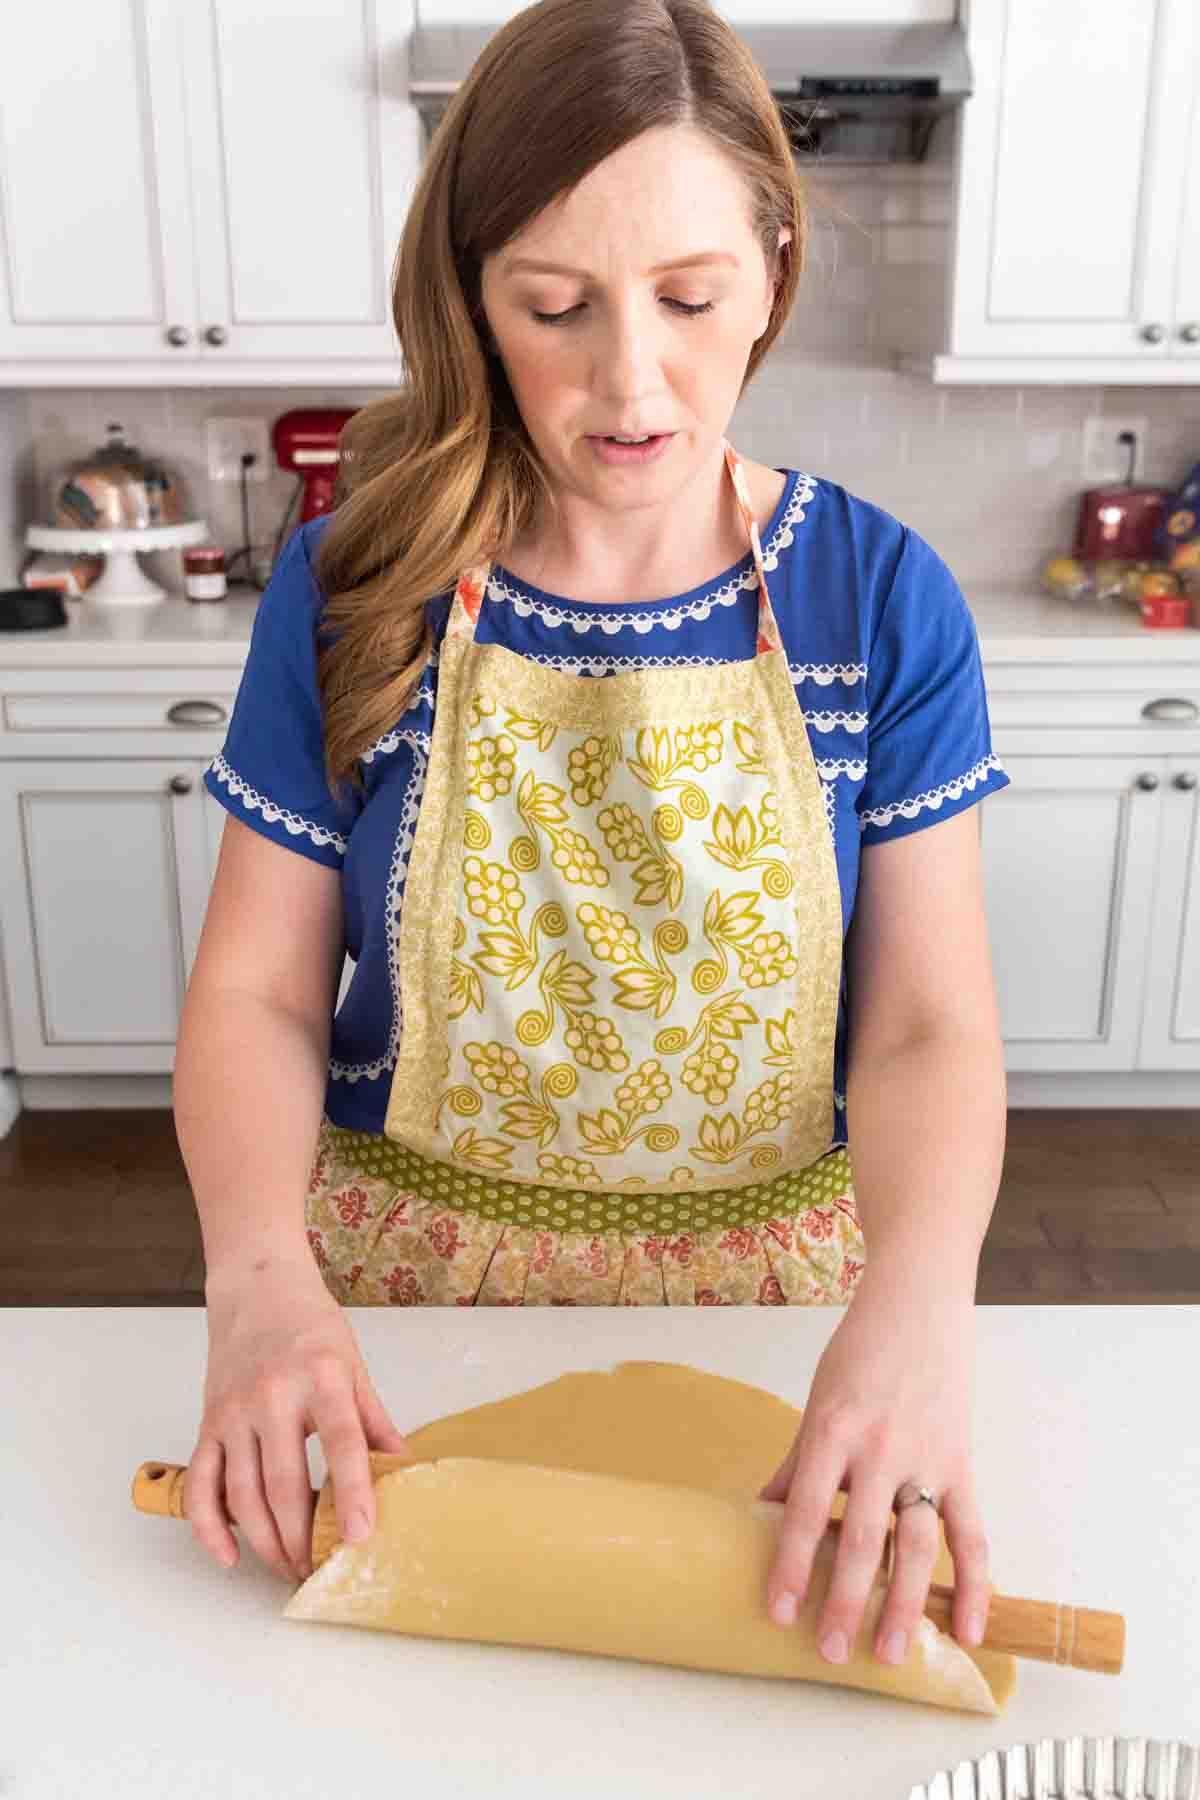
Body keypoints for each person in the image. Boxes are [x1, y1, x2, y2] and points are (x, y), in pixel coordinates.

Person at [175, 0, 1011, 1682]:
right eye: (556, 308)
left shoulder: (880, 597)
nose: (634, 379)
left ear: (773, 269)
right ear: (471, 300)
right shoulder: (358, 585)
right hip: (402, 1310)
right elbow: (261, 991)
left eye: (693, 299)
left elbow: (927, 1022)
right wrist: (259, 1288)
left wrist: (916, 1313)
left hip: (783, 1318)